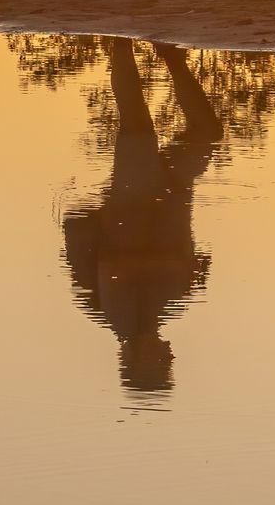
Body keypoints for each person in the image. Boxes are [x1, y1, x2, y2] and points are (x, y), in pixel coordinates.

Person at [59, 37, 226, 395]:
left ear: (133, 361)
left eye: (161, 364)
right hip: (171, 193)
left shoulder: (118, 316)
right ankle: (170, 56)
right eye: (168, 364)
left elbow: (114, 263)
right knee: (207, 133)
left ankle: (121, 45)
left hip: (135, 200)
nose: (170, 357)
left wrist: (177, 267)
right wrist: (190, 268)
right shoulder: (158, 315)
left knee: (137, 124)